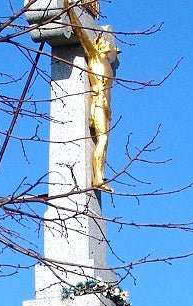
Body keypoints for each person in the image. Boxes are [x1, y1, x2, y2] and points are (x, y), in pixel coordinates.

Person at [65, 1, 118, 192]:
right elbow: (80, 32)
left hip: (106, 107)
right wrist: (69, 8)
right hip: (97, 104)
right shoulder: (94, 56)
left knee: (104, 142)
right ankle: (98, 178)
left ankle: (99, 177)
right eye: (103, 40)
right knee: (102, 140)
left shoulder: (108, 64)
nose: (107, 42)